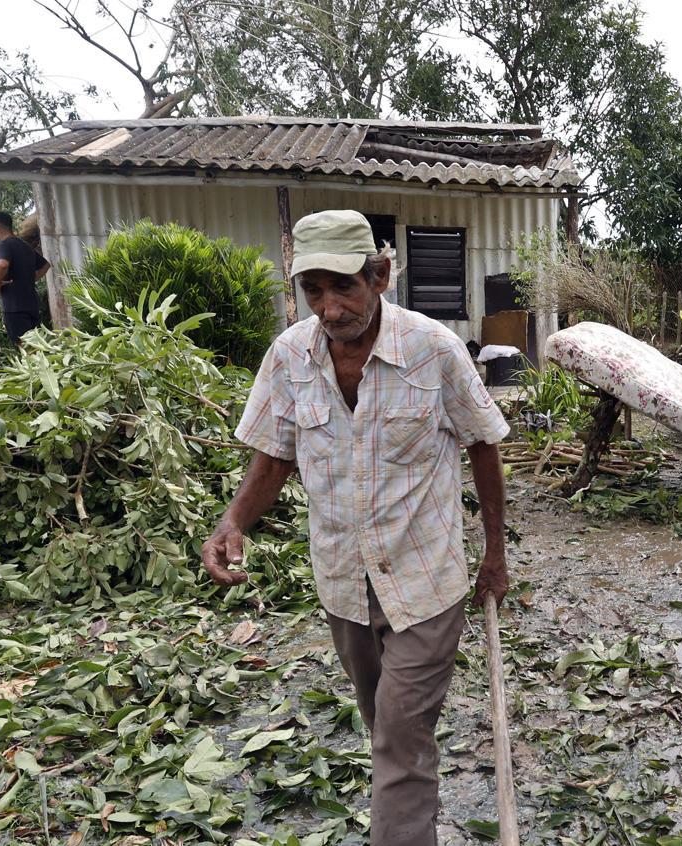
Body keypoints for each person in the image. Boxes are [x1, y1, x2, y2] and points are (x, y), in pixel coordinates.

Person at [201, 210, 510, 845]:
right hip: (343, 581)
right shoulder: (290, 356)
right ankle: (414, 787)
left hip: (425, 579)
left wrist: (495, 554)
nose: (329, 308)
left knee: (398, 733)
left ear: (381, 276)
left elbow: (483, 444)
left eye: (343, 287)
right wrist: (233, 520)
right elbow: (276, 454)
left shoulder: (434, 351)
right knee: (387, 724)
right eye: (312, 290)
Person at [0, 211, 50, 342]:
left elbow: (2, 264)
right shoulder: (24, 245)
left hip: (15, 307)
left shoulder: (4, 244)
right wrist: (29, 279)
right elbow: (45, 265)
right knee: (35, 346)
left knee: (24, 347)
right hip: (31, 305)